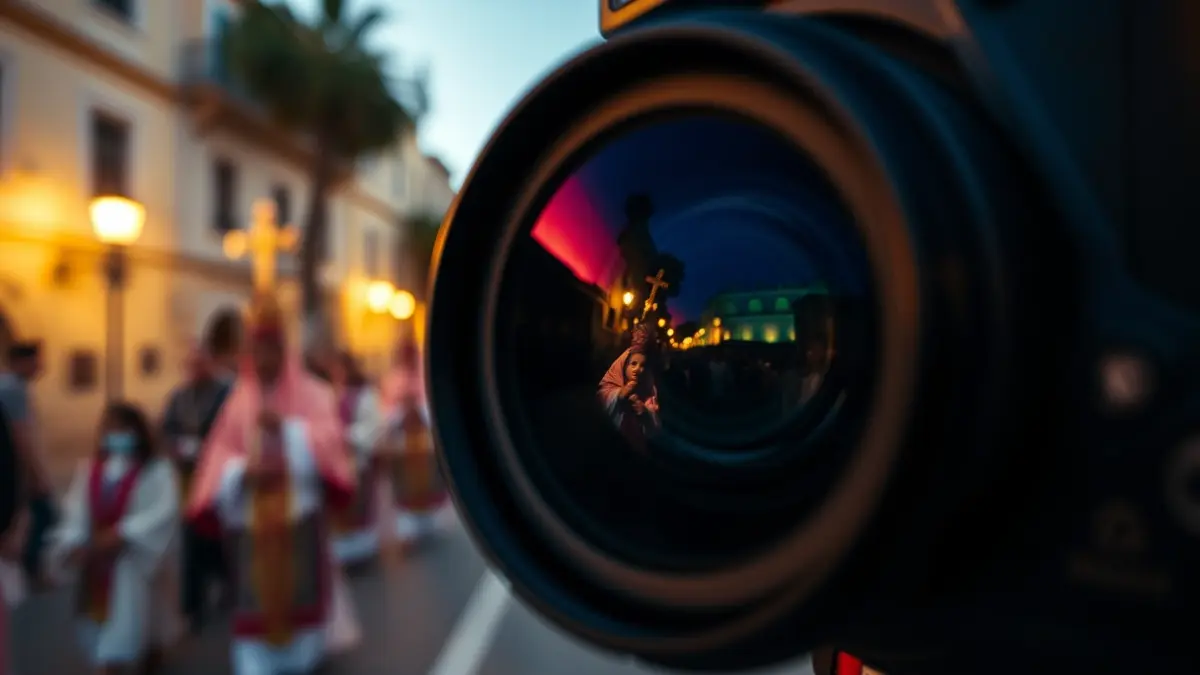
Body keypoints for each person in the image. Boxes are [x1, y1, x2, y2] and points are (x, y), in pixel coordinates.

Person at [185, 292, 358, 675]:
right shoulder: (237, 402)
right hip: (252, 527)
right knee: (254, 611)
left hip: (299, 521)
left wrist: (290, 433)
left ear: (284, 351)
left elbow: (331, 442)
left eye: (271, 350)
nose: (264, 361)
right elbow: (218, 457)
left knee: (301, 610)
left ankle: (304, 659)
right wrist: (243, 472)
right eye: (256, 351)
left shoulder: (314, 392)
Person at [49, 402, 182, 675]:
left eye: (122, 428)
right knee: (108, 639)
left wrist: (124, 533)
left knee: (139, 630)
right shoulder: (92, 470)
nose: (114, 434)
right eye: (109, 428)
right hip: (98, 567)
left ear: (137, 432)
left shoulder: (156, 470)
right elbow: (77, 509)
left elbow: (164, 511)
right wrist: (73, 541)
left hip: (134, 561)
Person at [160, 343, 232, 633]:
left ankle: (225, 580)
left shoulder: (226, 393)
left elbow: (232, 430)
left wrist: (211, 449)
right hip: (189, 478)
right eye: (191, 364)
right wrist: (174, 448)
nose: (196, 369)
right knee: (192, 537)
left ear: (210, 363)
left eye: (200, 363)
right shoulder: (179, 396)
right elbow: (166, 428)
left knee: (218, 535)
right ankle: (193, 606)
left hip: (219, 476)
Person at [378, 340, 447, 552]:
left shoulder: (424, 374)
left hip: (423, 443)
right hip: (402, 446)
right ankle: (407, 530)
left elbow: (433, 403)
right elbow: (385, 411)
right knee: (404, 489)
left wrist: (417, 409)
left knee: (427, 485)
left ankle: (426, 524)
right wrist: (401, 413)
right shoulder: (392, 380)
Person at [0, 341, 54, 590]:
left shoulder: (11, 386)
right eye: (36, 361)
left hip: (14, 468)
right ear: (22, 362)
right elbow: (21, 437)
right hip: (16, 470)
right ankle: (30, 569)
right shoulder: (13, 389)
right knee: (42, 516)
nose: (40, 367)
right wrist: (35, 475)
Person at [328, 352, 384, 566]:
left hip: (359, 458)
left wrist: (350, 437)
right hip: (340, 459)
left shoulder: (366, 394)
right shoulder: (336, 394)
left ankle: (362, 545)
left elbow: (374, 425)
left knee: (360, 503)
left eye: (341, 368)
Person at [597, 325, 661, 452]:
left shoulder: (648, 387)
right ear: (624, 365)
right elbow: (600, 399)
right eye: (633, 364)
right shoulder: (614, 379)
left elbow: (655, 426)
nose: (637, 369)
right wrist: (618, 395)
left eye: (642, 365)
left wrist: (645, 413)